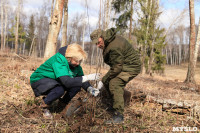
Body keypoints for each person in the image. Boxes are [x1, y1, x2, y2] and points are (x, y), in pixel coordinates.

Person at [30, 43, 100, 119]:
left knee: (77, 85)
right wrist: (88, 77)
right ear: (70, 57)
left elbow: (80, 78)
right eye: (76, 61)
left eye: (79, 61)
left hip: (55, 80)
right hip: (39, 79)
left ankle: (62, 105)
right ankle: (44, 105)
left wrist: (89, 88)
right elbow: (67, 82)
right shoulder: (59, 59)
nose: (78, 63)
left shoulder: (75, 65)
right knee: (59, 90)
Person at [90, 28, 141, 124]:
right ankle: (116, 104)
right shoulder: (108, 40)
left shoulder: (114, 46)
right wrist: (105, 79)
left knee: (114, 83)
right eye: (96, 43)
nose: (98, 45)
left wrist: (104, 79)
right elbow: (116, 64)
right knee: (107, 81)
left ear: (102, 37)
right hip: (123, 65)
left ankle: (119, 115)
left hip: (131, 66)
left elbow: (117, 67)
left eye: (98, 42)